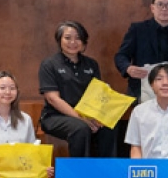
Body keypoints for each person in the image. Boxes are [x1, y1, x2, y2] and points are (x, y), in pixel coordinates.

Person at [38, 20, 117, 158]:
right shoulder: (49, 64)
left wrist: (97, 118)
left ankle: (107, 169)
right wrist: (81, 118)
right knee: (81, 128)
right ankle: (80, 170)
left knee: (110, 125)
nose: (73, 42)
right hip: (55, 116)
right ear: (59, 40)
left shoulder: (91, 64)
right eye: (68, 38)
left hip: (87, 115)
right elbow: (52, 98)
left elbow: (96, 95)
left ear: (84, 42)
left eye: (78, 38)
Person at [114, 0, 168, 99]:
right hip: (142, 89)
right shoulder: (138, 30)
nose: (164, 8)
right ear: (152, 8)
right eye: (160, 4)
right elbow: (121, 56)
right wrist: (128, 68)